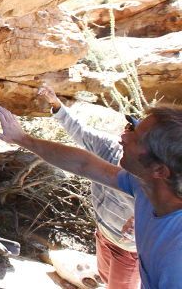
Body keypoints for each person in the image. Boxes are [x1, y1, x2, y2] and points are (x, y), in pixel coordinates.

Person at [0, 104, 182, 289]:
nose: (123, 136)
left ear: (160, 170)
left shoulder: (176, 257)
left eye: (137, 139)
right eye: (133, 128)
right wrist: (23, 139)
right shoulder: (147, 186)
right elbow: (84, 164)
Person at [39, 85, 138, 288]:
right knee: (104, 275)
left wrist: (143, 220)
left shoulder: (150, 174)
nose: (124, 134)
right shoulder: (109, 147)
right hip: (104, 234)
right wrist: (56, 105)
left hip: (129, 249)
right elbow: (80, 131)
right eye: (128, 128)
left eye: (134, 134)